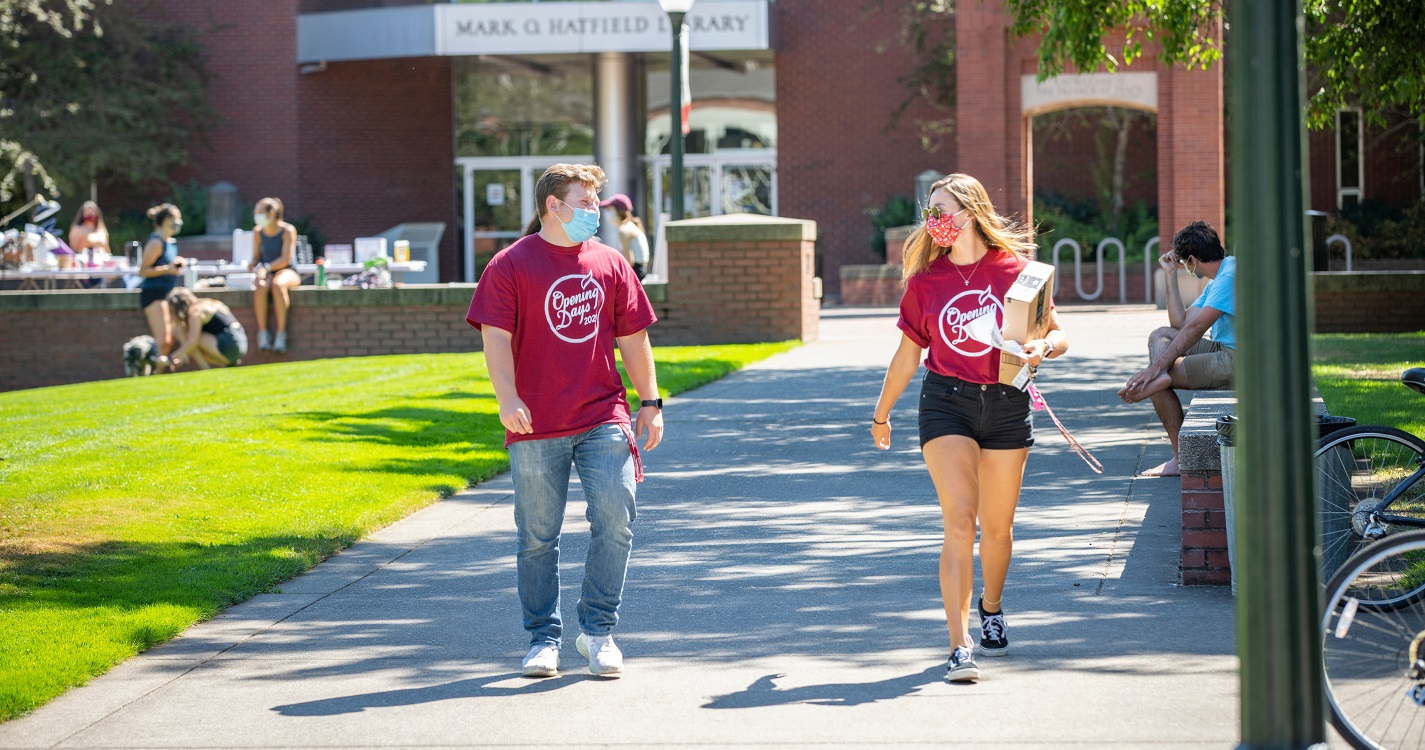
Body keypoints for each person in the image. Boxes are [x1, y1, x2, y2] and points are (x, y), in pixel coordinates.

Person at [869, 173, 1068, 684]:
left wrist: (1041, 348)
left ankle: (992, 605)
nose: (933, 219)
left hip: (1007, 405)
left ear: (971, 212)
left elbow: (1057, 333)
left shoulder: (1018, 272)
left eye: (942, 209)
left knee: (997, 530)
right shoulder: (924, 283)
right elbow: (907, 355)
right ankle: (960, 646)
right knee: (960, 520)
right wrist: (881, 412)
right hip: (946, 405)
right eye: (929, 210)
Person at [467, 163, 663, 679]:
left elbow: (635, 336)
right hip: (535, 422)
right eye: (585, 201)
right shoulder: (510, 265)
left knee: (616, 518)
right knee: (537, 536)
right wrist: (506, 398)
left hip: (603, 414)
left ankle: (598, 631)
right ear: (553, 206)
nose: (595, 211)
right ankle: (542, 638)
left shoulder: (610, 262)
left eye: (596, 201)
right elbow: (495, 338)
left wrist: (651, 400)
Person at [1118, 221, 1235, 478]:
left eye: (1184, 264)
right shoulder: (1221, 275)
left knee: (1159, 377)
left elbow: (1196, 328)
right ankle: (1161, 378)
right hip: (1223, 347)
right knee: (1160, 335)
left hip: (1239, 359)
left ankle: (1179, 459)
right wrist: (1170, 274)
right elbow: (1180, 323)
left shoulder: (1229, 277)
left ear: (1192, 260)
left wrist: (1156, 367)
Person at [137, 203, 188, 367]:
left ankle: (155, 374)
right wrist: (167, 269)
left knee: (169, 340)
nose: (179, 222)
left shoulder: (171, 243)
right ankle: (146, 373)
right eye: (177, 218)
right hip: (153, 293)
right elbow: (143, 270)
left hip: (167, 293)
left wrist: (177, 265)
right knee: (162, 340)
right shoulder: (156, 242)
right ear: (167, 220)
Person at [248, 197, 299, 353]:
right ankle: (263, 333)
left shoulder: (288, 230)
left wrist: (267, 267)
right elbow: (257, 255)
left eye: (260, 212)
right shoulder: (257, 231)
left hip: (287, 270)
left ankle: (281, 334)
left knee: (278, 285)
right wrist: (252, 263)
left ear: (271, 213)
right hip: (266, 271)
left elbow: (285, 258)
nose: (257, 216)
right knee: (261, 286)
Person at [165, 287, 248, 369]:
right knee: (192, 340)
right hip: (242, 341)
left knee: (191, 339)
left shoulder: (195, 312)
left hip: (230, 343)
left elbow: (192, 341)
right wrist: (183, 357)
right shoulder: (209, 302)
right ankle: (228, 363)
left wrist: (170, 358)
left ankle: (205, 369)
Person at [600, 193, 650, 280]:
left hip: (635, 273)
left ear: (619, 211)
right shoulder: (630, 225)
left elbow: (628, 262)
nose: (606, 212)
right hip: (640, 272)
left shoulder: (624, 230)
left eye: (609, 209)